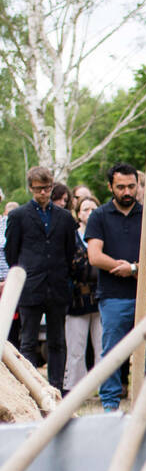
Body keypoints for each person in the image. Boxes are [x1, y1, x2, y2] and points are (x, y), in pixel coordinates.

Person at [83, 163, 146, 412]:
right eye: (121, 187)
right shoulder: (99, 216)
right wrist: (119, 267)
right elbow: (94, 256)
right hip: (114, 296)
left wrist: (133, 268)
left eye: (131, 186)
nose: (127, 191)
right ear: (110, 187)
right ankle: (110, 403)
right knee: (112, 351)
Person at [3, 166, 78, 392]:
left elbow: (69, 250)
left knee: (57, 341)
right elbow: (11, 252)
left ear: (52, 186)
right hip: (30, 285)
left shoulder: (64, 217)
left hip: (56, 285)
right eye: (38, 189)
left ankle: (55, 387)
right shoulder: (18, 216)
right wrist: (27, 272)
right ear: (30, 189)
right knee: (28, 342)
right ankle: (31, 388)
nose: (43, 193)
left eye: (46, 189)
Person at [64, 195, 101, 391]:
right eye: (85, 209)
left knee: (102, 345)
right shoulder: (72, 237)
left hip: (100, 296)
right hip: (76, 298)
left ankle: (104, 387)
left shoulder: (103, 236)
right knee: (76, 348)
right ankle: (75, 388)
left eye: (93, 208)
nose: (90, 213)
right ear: (78, 214)